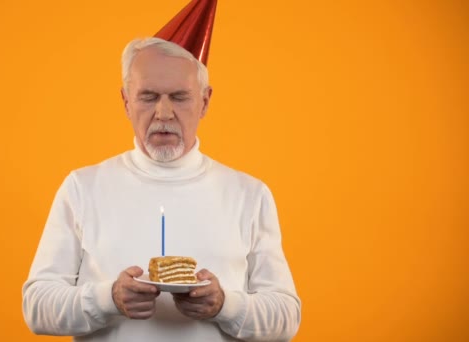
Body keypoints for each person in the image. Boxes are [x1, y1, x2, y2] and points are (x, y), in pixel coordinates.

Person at [21, 35, 301, 341]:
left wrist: (226, 306)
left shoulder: (250, 195)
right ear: (126, 102)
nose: (164, 113)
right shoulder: (81, 188)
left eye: (179, 97)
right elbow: (37, 306)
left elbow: (286, 318)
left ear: (204, 102)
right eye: (148, 96)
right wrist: (107, 300)